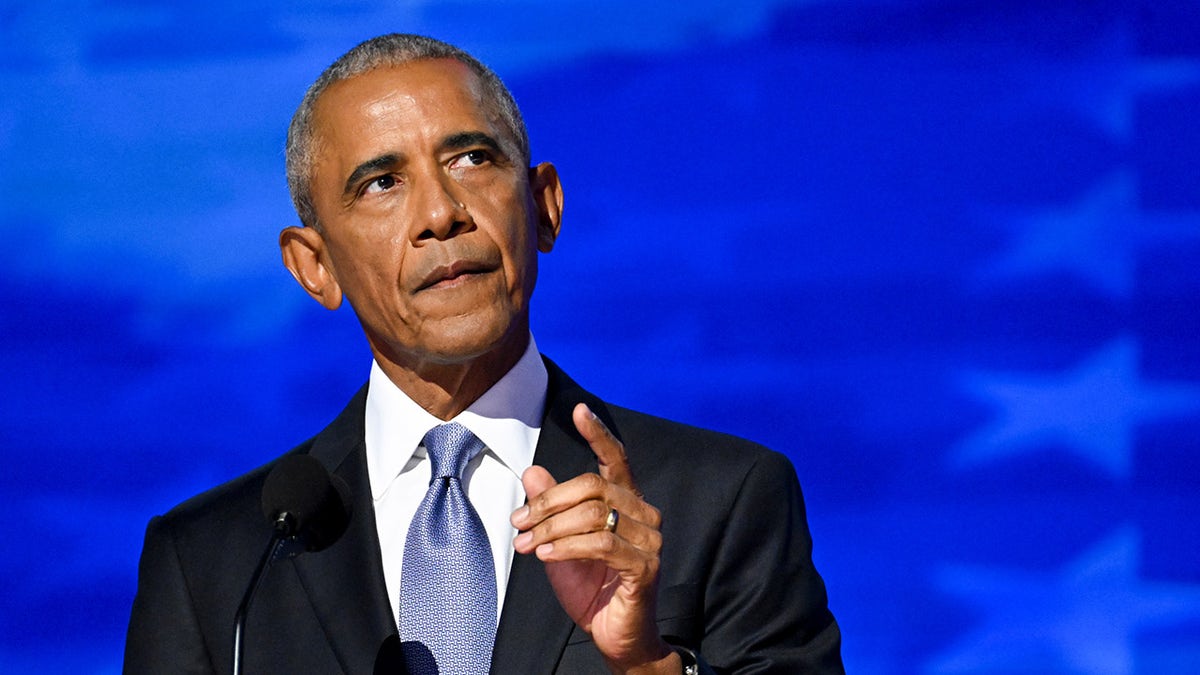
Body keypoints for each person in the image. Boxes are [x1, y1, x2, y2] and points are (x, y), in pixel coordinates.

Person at [124, 33, 843, 674]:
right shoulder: (214, 563)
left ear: (544, 207)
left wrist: (647, 666)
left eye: (472, 158)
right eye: (382, 183)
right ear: (316, 266)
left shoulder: (723, 498)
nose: (441, 214)